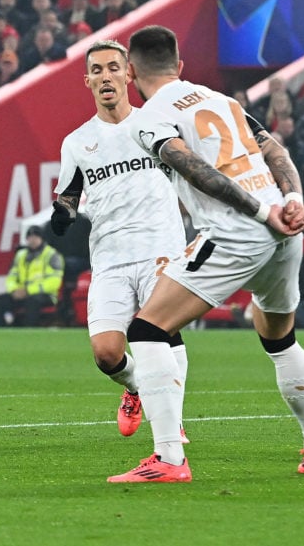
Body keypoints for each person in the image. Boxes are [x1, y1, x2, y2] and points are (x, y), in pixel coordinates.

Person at [110, 25, 304, 483]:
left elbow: (191, 167)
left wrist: (259, 211)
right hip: (283, 229)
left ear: (130, 72)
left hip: (238, 230)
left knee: (147, 330)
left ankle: (169, 459)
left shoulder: (150, 116)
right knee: (278, 337)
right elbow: (276, 150)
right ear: (181, 66)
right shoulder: (220, 99)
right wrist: (292, 200)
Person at [51, 39, 189, 439]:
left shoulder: (156, 125)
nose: (105, 76)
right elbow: (70, 197)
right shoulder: (77, 142)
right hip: (110, 256)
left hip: (160, 248)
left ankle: (170, 424)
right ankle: (137, 389)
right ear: (87, 81)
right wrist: (63, 214)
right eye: (97, 70)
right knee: (107, 353)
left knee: (163, 333)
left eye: (113, 67)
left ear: (128, 74)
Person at [0, 225, 64, 327]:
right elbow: (12, 277)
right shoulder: (21, 255)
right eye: (30, 237)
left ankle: (28, 331)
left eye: (36, 237)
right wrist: (14, 290)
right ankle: (1, 331)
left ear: (42, 238)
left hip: (46, 295)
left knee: (32, 301)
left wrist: (28, 290)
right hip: (21, 293)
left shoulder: (52, 255)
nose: (32, 240)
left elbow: (54, 282)